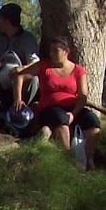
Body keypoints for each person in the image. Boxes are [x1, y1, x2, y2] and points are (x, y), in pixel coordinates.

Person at [33, 35, 99, 168]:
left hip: (73, 108)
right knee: (61, 119)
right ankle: (68, 160)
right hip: (50, 109)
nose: (52, 54)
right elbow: (20, 75)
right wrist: (18, 98)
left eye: (55, 50)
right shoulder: (44, 66)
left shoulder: (78, 70)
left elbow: (83, 96)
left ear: (66, 51)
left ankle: (89, 159)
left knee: (93, 121)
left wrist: (74, 114)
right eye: (51, 50)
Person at [0, 1, 38, 111]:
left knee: (34, 79)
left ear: (7, 21)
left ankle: (22, 109)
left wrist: (21, 70)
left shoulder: (27, 38)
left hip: (19, 80)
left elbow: (35, 62)